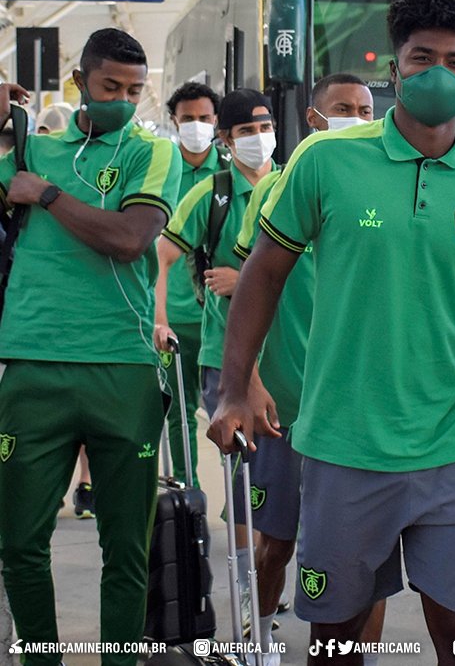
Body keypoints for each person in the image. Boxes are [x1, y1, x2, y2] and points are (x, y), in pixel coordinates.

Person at [208, 0, 455, 664]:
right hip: (343, 444)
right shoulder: (325, 163)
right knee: (336, 642)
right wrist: (236, 388)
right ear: (394, 69)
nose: (439, 72)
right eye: (422, 58)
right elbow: (262, 274)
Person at [0, 28, 182, 666]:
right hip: (32, 366)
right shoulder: (33, 148)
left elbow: (132, 238)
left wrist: (45, 195)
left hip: (123, 367)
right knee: (18, 542)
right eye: (111, 88)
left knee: (125, 551)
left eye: (135, 90)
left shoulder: (152, 153)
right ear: (79, 81)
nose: (124, 101)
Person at [230, 72, 385, 665]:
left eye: (366, 107)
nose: (357, 116)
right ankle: (259, 636)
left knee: (368, 557)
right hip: (288, 404)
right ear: (315, 121)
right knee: (278, 544)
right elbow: (245, 290)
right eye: (342, 108)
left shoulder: (387, 191)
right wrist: (250, 381)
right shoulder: (282, 189)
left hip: (359, 411)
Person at [154, 87, 278, 624]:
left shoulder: (295, 185)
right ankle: (250, 601)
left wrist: (243, 276)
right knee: (246, 475)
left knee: (290, 478)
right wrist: (158, 319)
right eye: (245, 131)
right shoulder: (213, 193)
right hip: (227, 356)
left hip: (295, 354)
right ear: (226, 141)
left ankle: (270, 581)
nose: (258, 139)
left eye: (264, 126)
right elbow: (161, 256)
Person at [29, 102, 98, 519]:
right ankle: (64, 484)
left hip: (82, 317)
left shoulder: (79, 179)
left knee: (80, 419)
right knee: (58, 418)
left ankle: (82, 485)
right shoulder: (29, 169)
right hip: (43, 320)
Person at [161, 81, 226, 488]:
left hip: (222, 319)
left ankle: (240, 494)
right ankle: (190, 490)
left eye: (204, 118)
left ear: (217, 121)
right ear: (174, 121)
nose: (197, 126)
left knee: (230, 409)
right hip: (176, 319)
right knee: (178, 412)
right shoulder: (160, 170)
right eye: (188, 119)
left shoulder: (230, 174)